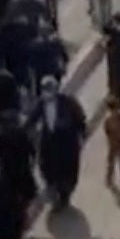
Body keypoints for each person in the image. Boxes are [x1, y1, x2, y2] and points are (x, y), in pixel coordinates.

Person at [34, 75, 86, 209]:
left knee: (68, 171)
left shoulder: (68, 101)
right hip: (49, 143)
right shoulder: (41, 103)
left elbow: (80, 118)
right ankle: (53, 190)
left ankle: (64, 196)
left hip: (67, 142)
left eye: (49, 89)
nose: (47, 92)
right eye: (44, 89)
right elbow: (32, 118)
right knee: (46, 167)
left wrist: (82, 135)